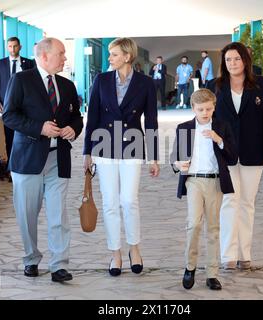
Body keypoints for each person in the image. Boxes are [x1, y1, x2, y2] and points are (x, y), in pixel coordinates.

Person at [2, 38, 83, 282]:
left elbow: (77, 117)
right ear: (45, 56)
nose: (65, 58)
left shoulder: (67, 86)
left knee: (58, 215)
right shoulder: (21, 80)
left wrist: (73, 129)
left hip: (58, 159)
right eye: (61, 54)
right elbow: (9, 116)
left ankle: (59, 265)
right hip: (28, 160)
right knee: (27, 215)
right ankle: (31, 259)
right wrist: (39, 128)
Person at [83, 38, 160, 277]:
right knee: (110, 203)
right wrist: (87, 151)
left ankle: (134, 248)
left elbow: (152, 121)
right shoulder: (101, 80)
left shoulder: (146, 83)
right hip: (104, 147)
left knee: (128, 200)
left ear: (127, 56)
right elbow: (93, 115)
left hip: (132, 146)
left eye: (114, 54)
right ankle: (115, 253)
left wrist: (154, 156)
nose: (109, 58)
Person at [212, 42, 263, 271]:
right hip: (225, 152)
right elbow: (206, 119)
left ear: (245, 60)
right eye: (228, 60)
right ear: (224, 63)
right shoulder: (215, 86)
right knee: (229, 202)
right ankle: (228, 255)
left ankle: (245, 254)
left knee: (247, 203)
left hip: (254, 150)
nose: (232, 64)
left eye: (237, 59)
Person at [171, 89, 237, 290]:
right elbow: (175, 158)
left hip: (215, 181)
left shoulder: (222, 127)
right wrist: (178, 165)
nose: (205, 113)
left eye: (209, 108)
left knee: (214, 228)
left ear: (214, 107)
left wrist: (219, 139)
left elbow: (233, 157)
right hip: (193, 181)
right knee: (194, 224)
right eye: (201, 109)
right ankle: (190, 267)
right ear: (193, 108)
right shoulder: (184, 128)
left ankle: (212, 273)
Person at [0, 37, 35, 165]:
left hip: (26, 107)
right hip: (7, 107)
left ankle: (26, 163)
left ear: (20, 47)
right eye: (10, 46)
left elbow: (34, 85)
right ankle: (12, 168)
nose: (12, 49)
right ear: (7, 47)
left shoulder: (28, 63)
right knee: (10, 137)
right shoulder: (1, 63)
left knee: (27, 137)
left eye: (15, 46)